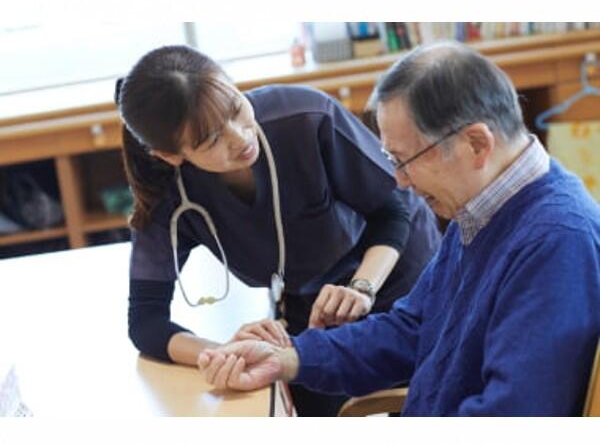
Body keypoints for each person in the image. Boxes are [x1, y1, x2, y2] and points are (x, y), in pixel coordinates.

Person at [197, 41, 600, 416]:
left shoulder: (557, 242)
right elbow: (411, 329)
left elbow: (513, 415)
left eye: (405, 159)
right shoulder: (483, 208)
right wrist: (287, 358)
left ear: (477, 144)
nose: (401, 180)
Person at [117, 45, 441, 416]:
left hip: (396, 273)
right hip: (311, 306)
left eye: (237, 109)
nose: (240, 138)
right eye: (212, 140)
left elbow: (392, 213)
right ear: (170, 155)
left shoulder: (304, 118)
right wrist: (220, 353)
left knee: (425, 400)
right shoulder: (165, 194)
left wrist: (362, 288)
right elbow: (145, 320)